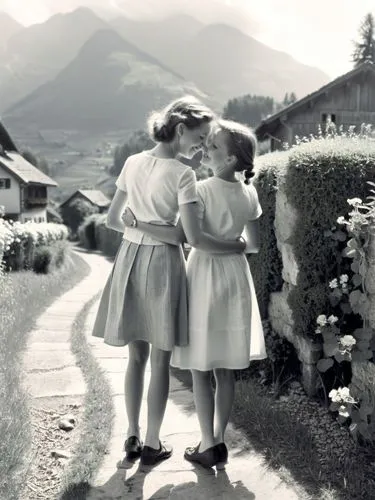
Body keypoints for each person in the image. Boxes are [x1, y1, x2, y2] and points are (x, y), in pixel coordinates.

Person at [92, 97, 246, 469]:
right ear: (180, 130)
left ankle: (130, 433)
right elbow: (182, 237)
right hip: (162, 264)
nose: (201, 145)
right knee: (160, 361)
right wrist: (159, 229)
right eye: (199, 136)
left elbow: (114, 220)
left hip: (129, 258)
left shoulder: (132, 163)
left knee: (134, 357)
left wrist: (137, 224)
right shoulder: (183, 175)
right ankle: (151, 442)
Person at [123, 119, 266, 469]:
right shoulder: (249, 193)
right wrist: (235, 245)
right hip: (235, 277)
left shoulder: (201, 189)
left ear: (231, 159)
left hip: (204, 274)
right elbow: (255, 245)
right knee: (226, 368)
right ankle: (218, 439)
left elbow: (190, 238)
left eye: (214, 147)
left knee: (201, 367)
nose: (206, 150)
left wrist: (137, 222)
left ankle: (207, 442)